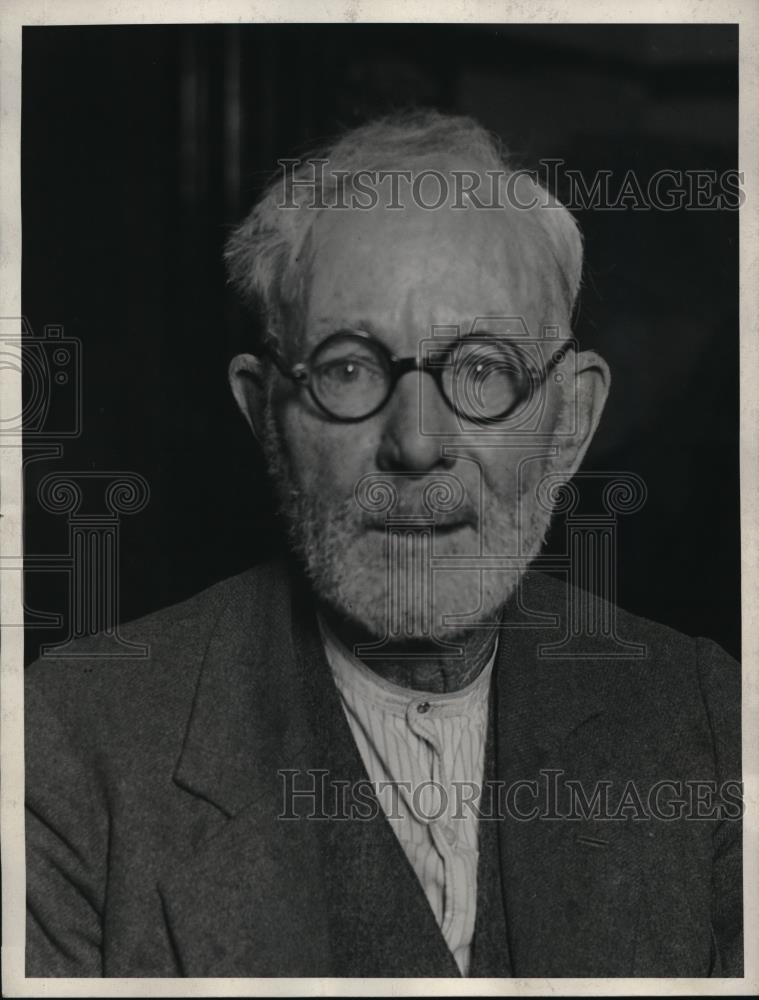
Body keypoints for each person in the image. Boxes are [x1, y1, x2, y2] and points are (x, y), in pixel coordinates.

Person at [25, 110, 742, 978]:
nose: (414, 443)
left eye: (481, 369)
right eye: (348, 369)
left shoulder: (708, 724)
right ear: (263, 416)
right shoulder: (65, 750)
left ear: (571, 423)